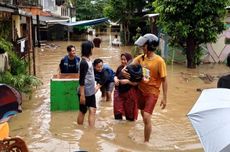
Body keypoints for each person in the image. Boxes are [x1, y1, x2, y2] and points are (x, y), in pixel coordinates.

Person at [122, 33, 168, 142]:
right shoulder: (141, 58)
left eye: (144, 45)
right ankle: (148, 127)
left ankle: (146, 142)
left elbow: (165, 80)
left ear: (150, 46)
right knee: (143, 113)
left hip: (152, 93)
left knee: (146, 116)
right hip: (141, 90)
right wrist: (124, 70)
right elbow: (129, 66)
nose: (142, 47)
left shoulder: (159, 61)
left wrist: (165, 98)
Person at [113, 53, 141, 121]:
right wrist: (115, 79)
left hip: (130, 94)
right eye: (122, 59)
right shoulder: (120, 68)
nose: (123, 61)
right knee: (117, 114)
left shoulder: (134, 69)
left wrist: (128, 82)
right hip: (119, 93)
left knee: (130, 117)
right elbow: (116, 75)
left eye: (125, 60)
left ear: (129, 60)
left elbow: (138, 83)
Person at [77, 41, 96, 127]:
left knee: (93, 110)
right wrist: (82, 95)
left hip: (90, 91)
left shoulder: (88, 60)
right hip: (85, 92)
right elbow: (81, 80)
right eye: (92, 48)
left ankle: (91, 131)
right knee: (83, 111)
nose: (92, 50)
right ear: (89, 50)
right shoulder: (83, 62)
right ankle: (79, 129)